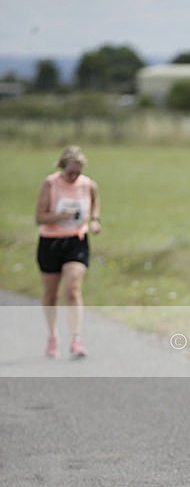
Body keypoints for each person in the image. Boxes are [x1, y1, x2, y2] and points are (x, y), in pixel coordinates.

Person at [35, 145, 101, 358]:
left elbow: (95, 202)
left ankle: (76, 339)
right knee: (51, 294)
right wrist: (61, 216)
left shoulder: (88, 184)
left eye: (78, 172)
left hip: (76, 241)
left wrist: (94, 221)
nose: (74, 177)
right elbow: (39, 217)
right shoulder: (50, 183)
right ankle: (52, 336)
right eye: (70, 172)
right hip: (50, 242)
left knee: (72, 289)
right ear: (63, 167)